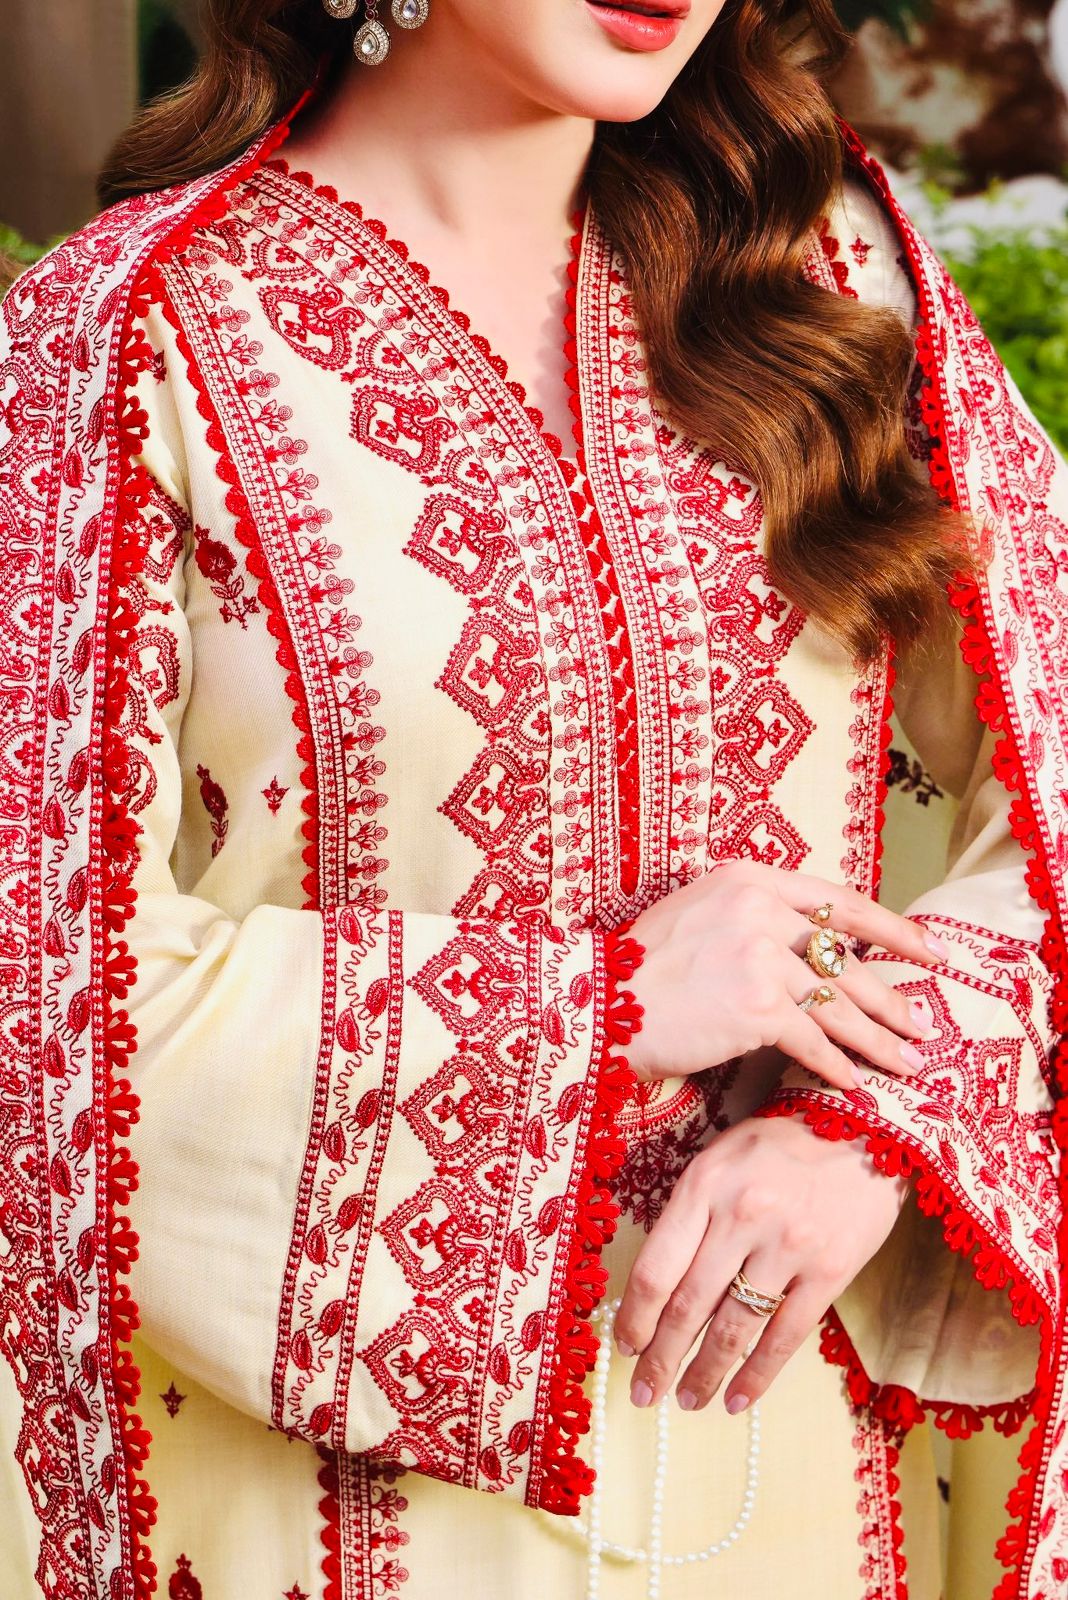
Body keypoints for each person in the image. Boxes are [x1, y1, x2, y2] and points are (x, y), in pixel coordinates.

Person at [0, 2, 1064, 1596]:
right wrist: (603, 1004)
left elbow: (1043, 773)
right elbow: (42, 1000)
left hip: (800, 1462)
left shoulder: (830, 286)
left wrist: (879, 1126)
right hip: (330, 1510)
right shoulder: (125, 343)